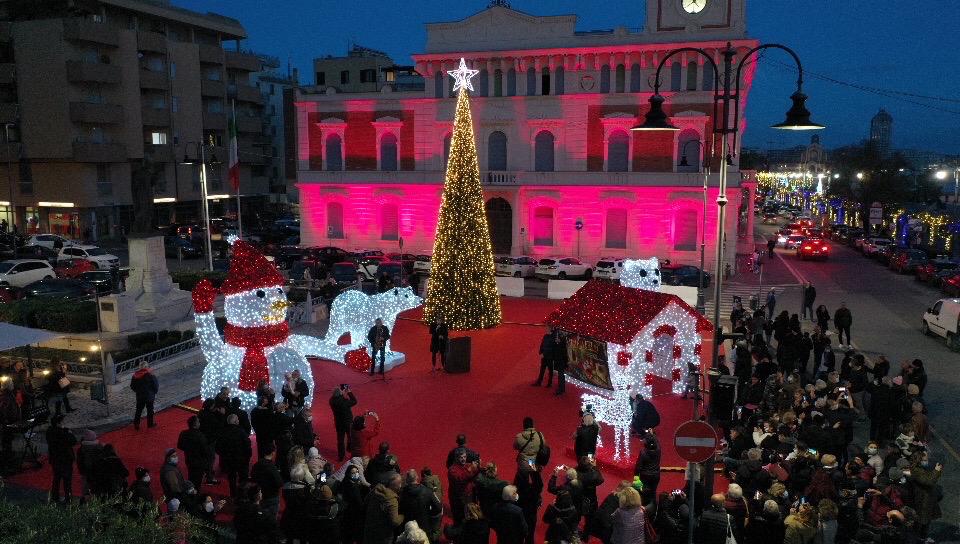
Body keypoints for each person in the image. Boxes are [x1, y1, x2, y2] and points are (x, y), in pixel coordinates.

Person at [217, 413, 253, 497]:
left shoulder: (223, 432)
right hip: (241, 460)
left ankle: (233, 495)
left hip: (229, 460)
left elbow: (218, 447)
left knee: (231, 478)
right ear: (236, 421)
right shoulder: (241, 432)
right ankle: (243, 495)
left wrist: (224, 455)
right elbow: (247, 445)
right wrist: (248, 457)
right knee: (243, 478)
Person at [363, 473, 404, 544]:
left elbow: (365, 503)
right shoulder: (392, 499)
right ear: (395, 486)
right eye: (399, 484)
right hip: (383, 535)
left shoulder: (375, 491)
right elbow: (395, 521)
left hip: (369, 531)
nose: (400, 486)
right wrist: (402, 516)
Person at [400, 469, 442, 537]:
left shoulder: (402, 493)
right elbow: (438, 507)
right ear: (417, 477)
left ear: (407, 480)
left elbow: (400, 509)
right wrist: (429, 513)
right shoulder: (427, 491)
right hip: (424, 525)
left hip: (408, 526)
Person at [46, 414, 76, 503]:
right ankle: (68, 499)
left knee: (56, 479)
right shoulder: (63, 433)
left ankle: (55, 497)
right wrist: (69, 433)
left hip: (55, 459)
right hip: (65, 459)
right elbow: (73, 441)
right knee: (67, 481)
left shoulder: (49, 431)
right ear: (59, 423)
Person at [177, 415, 214, 489]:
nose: (199, 423)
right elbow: (205, 450)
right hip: (199, 461)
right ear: (195, 424)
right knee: (197, 481)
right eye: (198, 422)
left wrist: (188, 449)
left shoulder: (183, 433)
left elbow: (179, 445)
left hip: (189, 459)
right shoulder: (200, 436)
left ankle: (191, 490)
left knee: (191, 476)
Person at [251, 442, 284, 519]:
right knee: (271, 519)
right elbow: (279, 483)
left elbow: (253, 478)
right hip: (272, 497)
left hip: (260, 495)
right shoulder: (272, 467)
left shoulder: (256, 465)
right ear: (273, 453)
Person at [448, 452, 480, 525]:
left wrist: (478, 466)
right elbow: (460, 479)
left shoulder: (468, 465)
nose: (463, 459)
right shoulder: (452, 470)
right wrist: (470, 469)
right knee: (461, 516)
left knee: (471, 514)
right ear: (456, 458)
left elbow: (476, 474)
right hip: (460, 497)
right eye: (461, 457)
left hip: (470, 495)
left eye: (465, 457)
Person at [330, 385, 358, 461]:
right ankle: (350, 450)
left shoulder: (331, 401)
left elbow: (338, 398)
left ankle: (341, 456)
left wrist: (342, 394)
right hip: (348, 423)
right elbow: (354, 401)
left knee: (340, 440)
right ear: (340, 394)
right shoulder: (344, 401)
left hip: (339, 423)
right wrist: (349, 392)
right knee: (350, 437)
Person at [129, 362, 159, 430]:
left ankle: (136, 424)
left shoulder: (135, 375)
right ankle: (150, 424)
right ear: (147, 366)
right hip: (149, 396)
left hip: (140, 396)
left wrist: (137, 391)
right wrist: (154, 392)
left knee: (139, 410)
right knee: (150, 410)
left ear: (140, 367)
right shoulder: (150, 374)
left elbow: (132, 386)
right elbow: (155, 385)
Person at [634, 433, 661, 504]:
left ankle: (645, 507)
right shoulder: (658, 449)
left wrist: (636, 478)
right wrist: (652, 434)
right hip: (656, 475)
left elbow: (638, 467)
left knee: (644, 493)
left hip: (645, 476)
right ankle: (654, 507)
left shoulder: (643, 452)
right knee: (653, 491)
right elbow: (656, 440)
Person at [76, 429, 104, 497]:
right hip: (96, 470)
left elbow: (79, 461)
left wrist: (81, 469)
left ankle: (85, 499)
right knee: (96, 486)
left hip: (85, 470)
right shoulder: (98, 447)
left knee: (85, 486)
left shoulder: (81, 449)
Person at [553, 331, 569, 395]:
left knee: (561, 376)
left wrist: (559, 343)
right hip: (560, 361)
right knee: (560, 375)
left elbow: (563, 353)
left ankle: (561, 389)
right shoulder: (562, 342)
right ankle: (561, 388)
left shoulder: (563, 344)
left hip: (561, 361)